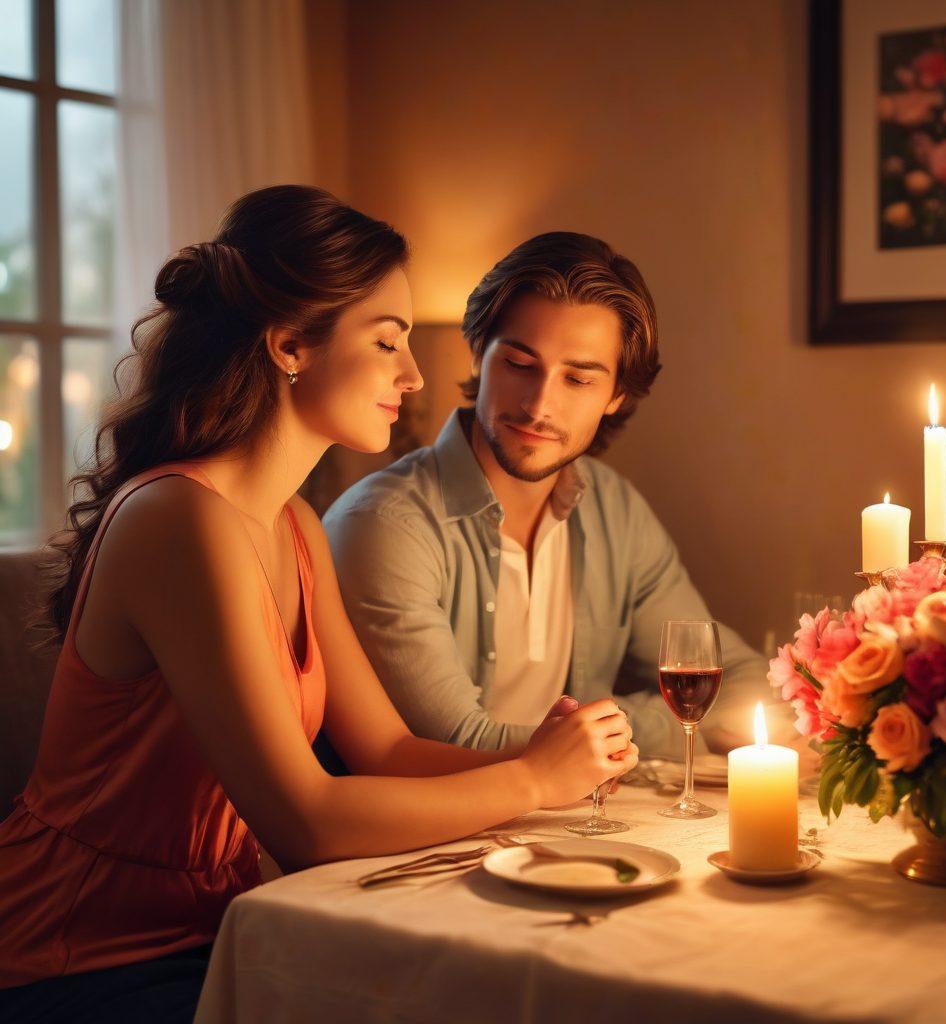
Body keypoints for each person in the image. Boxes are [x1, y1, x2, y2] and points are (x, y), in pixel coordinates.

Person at [0, 188, 636, 1023]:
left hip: (224, 931)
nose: (412, 376)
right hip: (72, 955)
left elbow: (387, 749)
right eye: (387, 341)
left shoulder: (294, 524)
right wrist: (530, 779)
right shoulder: (179, 520)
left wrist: (564, 766)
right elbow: (305, 818)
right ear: (291, 345)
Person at [323, 231, 775, 761]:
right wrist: (655, 733)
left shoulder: (616, 510)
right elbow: (455, 745)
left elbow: (741, 684)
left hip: (571, 827)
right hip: (430, 836)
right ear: (477, 355)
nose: (539, 405)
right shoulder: (384, 523)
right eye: (519, 364)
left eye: (578, 379)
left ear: (617, 396)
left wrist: (605, 735)